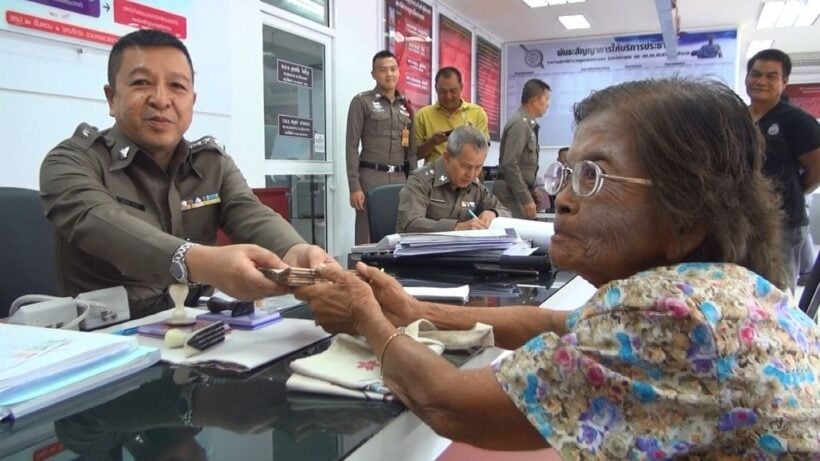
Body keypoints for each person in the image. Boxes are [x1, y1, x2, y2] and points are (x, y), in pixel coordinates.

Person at [295, 78, 820, 458]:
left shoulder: (671, 314)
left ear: (685, 215)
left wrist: (366, 313)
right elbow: (555, 324)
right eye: (568, 172)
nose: (563, 198)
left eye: (593, 176)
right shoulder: (715, 289)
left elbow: (450, 403)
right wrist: (411, 308)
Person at [39, 29, 335, 320]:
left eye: (177, 86)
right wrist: (199, 262)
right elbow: (100, 222)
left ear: (192, 100)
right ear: (112, 98)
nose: (161, 99)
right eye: (142, 83)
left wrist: (293, 250)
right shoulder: (72, 161)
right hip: (108, 340)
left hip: (198, 325)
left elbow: (248, 211)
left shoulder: (211, 163)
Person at [746, 48, 820, 290]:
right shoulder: (737, 118)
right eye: (756, 74)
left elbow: (816, 168)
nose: (761, 81)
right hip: (744, 220)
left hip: (783, 223)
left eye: (771, 76)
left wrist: (793, 190)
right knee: (748, 287)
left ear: (784, 82)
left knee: (778, 291)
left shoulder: (797, 121)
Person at [346, 50, 416, 244]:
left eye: (393, 69)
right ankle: (359, 272)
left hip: (400, 179)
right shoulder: (362, 102)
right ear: (374, 74)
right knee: (366, 234)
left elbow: (411, 152)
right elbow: (351, 146)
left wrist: (413, 185)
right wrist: (354, 186)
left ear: (399, 72)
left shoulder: (407, 107)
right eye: (383, 70)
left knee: (398, 231)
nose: (389, 74)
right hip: (371, 177)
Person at [395, 126, 509, 233]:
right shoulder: (420, 181)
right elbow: (410, 223)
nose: (471, 174)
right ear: (447, 158)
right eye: (466, 166)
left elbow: (506, 212)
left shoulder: (475, 187)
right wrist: (457, 227)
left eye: (478, 167)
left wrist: (492, 213)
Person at [493, 78, 551, 219]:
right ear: (535, 100)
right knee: (516, 237)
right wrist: (525, 198)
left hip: (517, 192)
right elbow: (510, 164)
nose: (548, 105)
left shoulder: (528, 125)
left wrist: (530, 190)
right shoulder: (520, 124)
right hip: (510, 194)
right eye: (546, 99)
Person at [414, 67, 489, 164]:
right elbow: (415, 155)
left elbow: (484, 150)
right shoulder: (423, 115)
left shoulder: (477, 113)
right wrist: (432, 142)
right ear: (435, 88)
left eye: (453, 91)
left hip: (468, 174)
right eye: (443, 91)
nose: (448, 96)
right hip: (434, 176)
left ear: (461, 87)